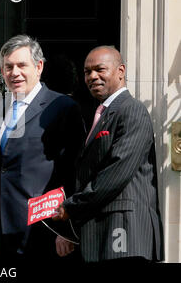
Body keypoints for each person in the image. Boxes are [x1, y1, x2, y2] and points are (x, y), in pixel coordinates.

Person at [54, 46, 164, 263]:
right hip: (101, 234)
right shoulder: (101, 113)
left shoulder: (131, 110)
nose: (92, 77)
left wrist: (71, 207)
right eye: (87, 72)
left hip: (125, 233)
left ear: (120, 71)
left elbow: (116, 171)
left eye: (100, 69)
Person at [0, 35, 85, 262]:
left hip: (45, 233)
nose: (14, 72)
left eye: (22, 65)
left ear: (39, 67)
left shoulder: (61, 107)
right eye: (8, 67)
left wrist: (68, 228)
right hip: (3, 235)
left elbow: (76, 171)